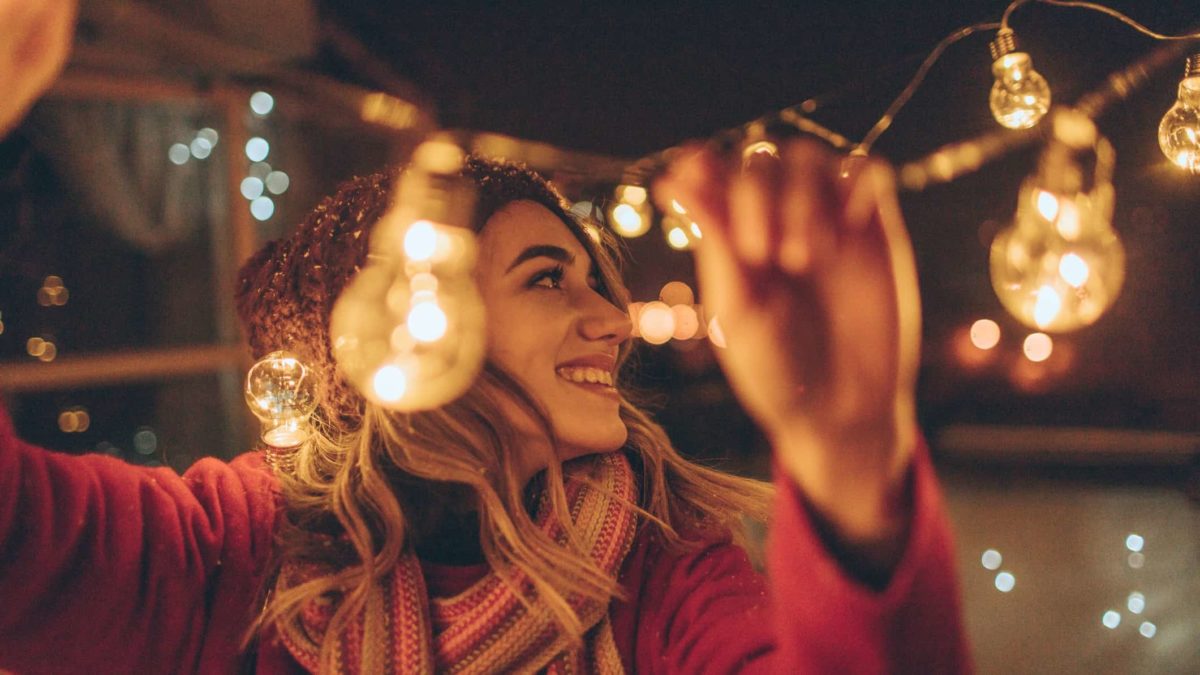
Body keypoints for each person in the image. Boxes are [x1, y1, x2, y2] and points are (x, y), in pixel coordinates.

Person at [0, 3, 968, 673]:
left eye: (596, 279)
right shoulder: (240, 550)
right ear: (402, 316)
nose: (614, 319)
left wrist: (852, 455)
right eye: (548, 278)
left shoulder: (663, 568)